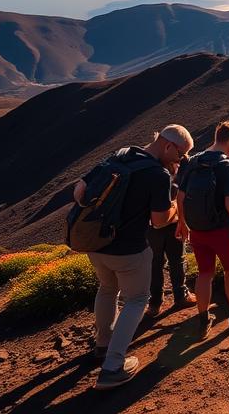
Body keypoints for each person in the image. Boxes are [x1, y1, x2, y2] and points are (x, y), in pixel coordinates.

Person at [74, 124, 193, 389]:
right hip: (130, 249)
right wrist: (175, 208)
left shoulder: (121, 154)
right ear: (168, 145)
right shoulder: (158, 174)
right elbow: (160, 221)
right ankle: (113, 367)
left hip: (96, 244)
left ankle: (102, 345)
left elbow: (79, 192)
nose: (180, 160)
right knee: (137, 299)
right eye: (180, 154)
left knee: (107, 289)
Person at [177, 121, 229, 340]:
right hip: (222, 230)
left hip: (198, 231)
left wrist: (182, 222)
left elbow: (180, 197)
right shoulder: (228, 166)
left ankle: (204, 321)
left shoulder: (193, 161)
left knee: (205, 273)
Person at [145, 156, 196, 318]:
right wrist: (176, 208)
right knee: (176, 260)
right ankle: (180, 295)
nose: (179, 165)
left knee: (155, 263)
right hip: (170, 225)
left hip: (151, 228)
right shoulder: (169, 181)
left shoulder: (150, 177)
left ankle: (155, 303)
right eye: (177, 162)